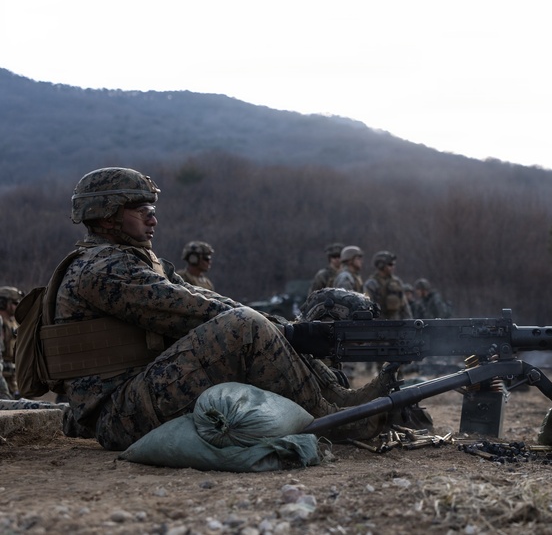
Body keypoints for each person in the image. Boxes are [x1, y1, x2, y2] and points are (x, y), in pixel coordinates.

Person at [48, 167, 398, 450]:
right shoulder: (103, 269)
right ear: (107, 216)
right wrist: (283, 330)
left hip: (133, 398)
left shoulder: (131, 261)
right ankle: (332, 421)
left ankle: (339, 399)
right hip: (117, 414)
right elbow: (189, 310)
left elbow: (209, 302)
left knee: (253, 321)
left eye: (152, 212)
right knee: (244, 326)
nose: (153, 220)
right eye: (143, 212)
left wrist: (280, 326)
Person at [363, 251, 413, 320]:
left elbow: (404, 306)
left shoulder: (397, 282)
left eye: (393, 264)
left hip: (396, 323)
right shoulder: (372, 284)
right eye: (390, 264)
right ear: (381, 265)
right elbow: (367, 307)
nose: (393, 267)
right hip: (379, 324)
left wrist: (409, 322)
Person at [0, 286, 23, 399]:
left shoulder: (13, 323)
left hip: (13, 375)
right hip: (3, 374)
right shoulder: (1, 323)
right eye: (14, 303)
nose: (17, 306)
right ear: (3, 303)